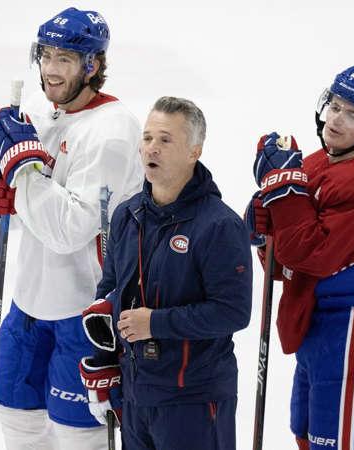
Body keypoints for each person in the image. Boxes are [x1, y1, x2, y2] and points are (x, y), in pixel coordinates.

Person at [0, 7, 143, 449]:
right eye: (46, 56)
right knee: (14, 422)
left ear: (92, 65)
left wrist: (23, 173)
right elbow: (32, 201)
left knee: (77, 437)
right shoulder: (38, 108)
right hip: (28, 301)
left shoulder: (112, 131)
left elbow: (70, 229)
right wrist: (6, 195)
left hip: (82, 310)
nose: (50, 70)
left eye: (65, 60)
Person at [246, 63, 354, 450]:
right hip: (321, 319)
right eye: (335, 106)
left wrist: (283, 190)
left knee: (340, 441)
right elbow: (285, 257)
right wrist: (262, 227)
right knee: (308, 431)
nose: (336, 120)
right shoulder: (320, 161)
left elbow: (312, 255)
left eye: (353, 114)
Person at [80, 96, 252, 450]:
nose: (151, 149)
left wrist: (155, 324)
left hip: (194, 399)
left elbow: (232, 311)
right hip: (135, 394)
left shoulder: (219, 225)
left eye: (165, 140)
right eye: (146, 138)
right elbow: (109, 294)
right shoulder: (127, 216)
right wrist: (105, 361)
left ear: (194, 151)